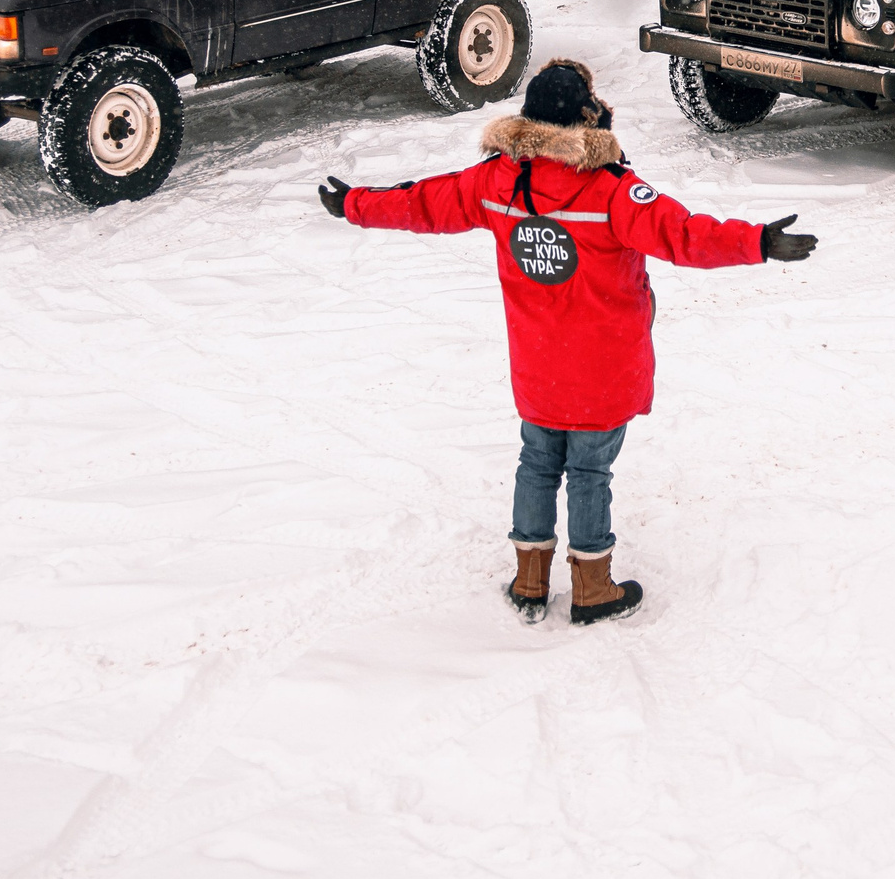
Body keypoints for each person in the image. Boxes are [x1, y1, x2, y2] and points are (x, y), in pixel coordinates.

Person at [320, 59, 818, 626]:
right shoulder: (612, 191)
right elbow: (682, 235)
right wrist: (757, 242)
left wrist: (354, 203)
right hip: (604, 370)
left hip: (538, 365)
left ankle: (530, 581)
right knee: (589, 473)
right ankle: (593, 588)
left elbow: (424, 201)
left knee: (536, 463)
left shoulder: (495, 181)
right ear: (587, 118)